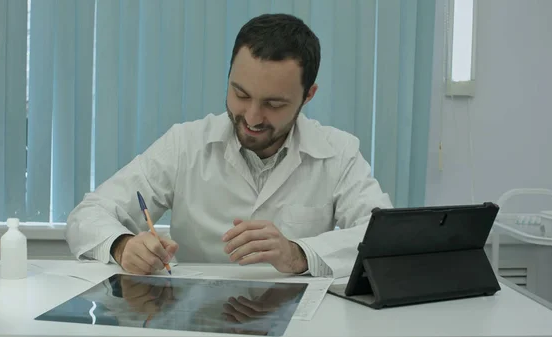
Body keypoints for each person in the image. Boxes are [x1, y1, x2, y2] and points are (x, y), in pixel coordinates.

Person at [65, 13, 393, 279]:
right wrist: (122, 247)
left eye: (274, 104)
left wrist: (297, 254)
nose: (251, 117)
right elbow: (90, 214)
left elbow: (385, 240)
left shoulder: (339, 152)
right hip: (195, 319)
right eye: (241, 93)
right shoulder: (185, 144)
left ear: (308, 95)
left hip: (297, 321)